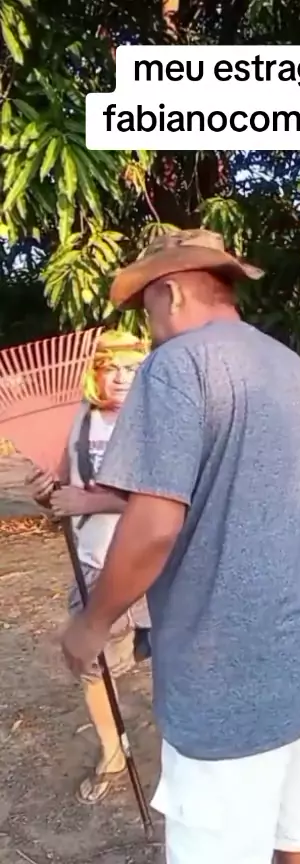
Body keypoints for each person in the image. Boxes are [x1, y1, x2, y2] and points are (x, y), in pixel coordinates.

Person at [60, 230, 300, 864]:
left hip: (228, 676)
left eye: (147, 311)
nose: (150, 331)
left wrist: (93, 622)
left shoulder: (178, 365)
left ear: (170, 293)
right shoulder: (290, 366)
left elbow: (154, 525)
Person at [26, 329, 151, 805]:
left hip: (156, 563)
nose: (121, 377)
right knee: (94, 666)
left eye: (132, 368)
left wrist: (92, 501)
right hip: (95, 565)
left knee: (176, 655)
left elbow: (169, 500)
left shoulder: (157, 421)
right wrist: (47, 494)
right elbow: (60, 488)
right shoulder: (75, 422)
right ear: (94, 374)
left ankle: (191, 748)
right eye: (111, 368)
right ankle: (112, 751)